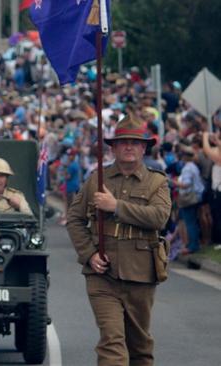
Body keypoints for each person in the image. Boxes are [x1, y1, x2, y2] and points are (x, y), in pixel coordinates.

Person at [66, 115, 171, 366]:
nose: (129, 147)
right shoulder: (97, 180)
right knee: (112, 343)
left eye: (135, 142)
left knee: (140, 348)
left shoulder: (157, 181)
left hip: (141, 274)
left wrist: (116, 206)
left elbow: (160, 217)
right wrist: (89, 253)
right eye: (122, 142)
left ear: (144, 147)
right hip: (103, 275)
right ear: (112, 148)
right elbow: (74, 219)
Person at [173, 144, 204, 255]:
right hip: (196, 197)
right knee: (192, 222)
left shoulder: (187, 168)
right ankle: (193, 244)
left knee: (190, 223)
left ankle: (192, 246)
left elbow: (186, 184)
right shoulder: (193, 166)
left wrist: (174, 182)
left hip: (189, 198)